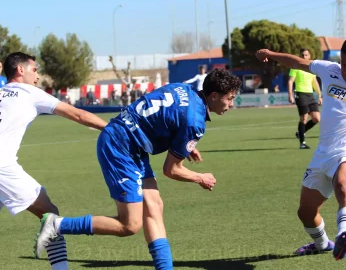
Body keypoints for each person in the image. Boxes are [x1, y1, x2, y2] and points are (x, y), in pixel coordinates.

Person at [35, 68, 242, 269]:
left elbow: (165, 117)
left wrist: (184, 146)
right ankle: (57, 225)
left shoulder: (182, 88)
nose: (231, 104)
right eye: (229, 98)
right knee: (130, 225)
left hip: (130, 140)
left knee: (154, 206)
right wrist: (200, 177)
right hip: (121, 146)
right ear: (214, 96)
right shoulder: (195, 122)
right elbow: (171, 170)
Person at [256, 37, 346, 260]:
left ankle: (344, 234)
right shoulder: (328, 70)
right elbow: (296, 62)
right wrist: (270, 54)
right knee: (305, 213)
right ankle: (322, 244)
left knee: (344, 186)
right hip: (322, 154)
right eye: (343, 63)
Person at [0, 52, 108, 269]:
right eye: (35, 69)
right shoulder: (30, 92)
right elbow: (77, 114)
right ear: (21, 70)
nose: (38, 76)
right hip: (2, 166)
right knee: (50, 215)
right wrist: (112, 128)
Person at [288, 48, 322, 149]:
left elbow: (314, 82)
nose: (304, 57)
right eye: (302, 55)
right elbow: (290, 81)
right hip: (300, 93)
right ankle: (302, 143)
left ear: (309, 56)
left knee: (316, 118)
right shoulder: (295, 67)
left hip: (310, 95)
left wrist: (319, 95)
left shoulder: (311, 69)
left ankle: (300, 133)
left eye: (306, 55)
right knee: (304, 118)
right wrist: (290, 95)